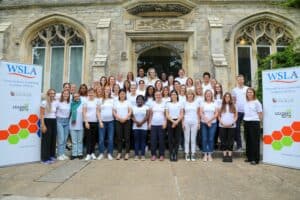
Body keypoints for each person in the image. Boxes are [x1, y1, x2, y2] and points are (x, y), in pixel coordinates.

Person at [244, 88, 263, 165]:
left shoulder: (257, 102)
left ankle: (255, 159)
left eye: (251, 92)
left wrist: (260, 123)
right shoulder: (246, 102)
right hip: (246, 122)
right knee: (248, 140)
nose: (249, 93)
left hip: (254, 122)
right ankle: (249, 157)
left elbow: (260, 114)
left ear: (253, 93)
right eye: (248, 92)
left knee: (254, 141)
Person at [218, 92, 237, 162]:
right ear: (224, 98)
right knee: (223, 140)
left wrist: (232, 123)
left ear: (230, 98)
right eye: (226, 97)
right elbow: (219, 116)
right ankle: (224, 155)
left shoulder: (234, 105)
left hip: (231, 126)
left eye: (228, 97)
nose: (227, 98)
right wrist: (222, 123)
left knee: (230, 140)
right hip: (222, 126)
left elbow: (236, 116)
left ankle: (229, 155)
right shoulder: (221, 105)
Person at [113, 89, 132, 160]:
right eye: (121, 94)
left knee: (127, 138)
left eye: (123, 94)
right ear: (119, 94)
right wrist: (119, 118)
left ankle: (127, 153)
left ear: (125, 95)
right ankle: (119, 153)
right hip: (118, 121)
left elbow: (130, 111)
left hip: (127, 121)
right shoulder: (116, 102)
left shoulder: (128, 102)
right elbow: (114, 112)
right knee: (119, 138)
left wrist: (125, 118)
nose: (122, 95)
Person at [40, 89, 58, 164]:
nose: (52, 95)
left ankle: (51, 155)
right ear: (48, 94)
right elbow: (41, 114)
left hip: (54, 121)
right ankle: (44, 158)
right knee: (46, 140)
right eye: (51, 93)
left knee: (53, 140)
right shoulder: (44, 102)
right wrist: (43, 125)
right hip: (47, 121)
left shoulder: (55, 102)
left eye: (53, 93)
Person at [97, 86, 115, 160]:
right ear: (103, 91)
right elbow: (97, 111)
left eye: (108, 90)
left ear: (110, 91)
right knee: (101, 139)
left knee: (110, 139)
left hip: (111, 122)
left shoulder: (113, 100)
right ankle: (101, 153)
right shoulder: (100, 100)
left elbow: (114, 110)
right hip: (102, 122)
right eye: (106, 90)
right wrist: (100, 121)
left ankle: (110, 153)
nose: (107, 91)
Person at [232, 74, 248, 151]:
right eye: (239, 79)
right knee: (237, 129)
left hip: (247, 112)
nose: (240, 81)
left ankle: (247, 146)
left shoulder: (247, 89)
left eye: (241, 79)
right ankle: (239, 146)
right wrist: (234, 111)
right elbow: (234, 101)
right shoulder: (234, 90)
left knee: (247, 129)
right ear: (237, 81)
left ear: (243, 80)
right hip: (238, 112)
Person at [200, 90, 218, 162]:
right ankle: (205, 154)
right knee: (204, 138)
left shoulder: (214, 103)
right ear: (205, 95)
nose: (208, 95)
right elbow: (201, 113)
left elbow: (216, 113)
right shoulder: (202, 103)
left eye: (209, 94)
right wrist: (207, 121)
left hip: (213, 123)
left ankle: (210, 154)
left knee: (211, 139)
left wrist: (210, 121)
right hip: (204, 123)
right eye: (207, 94)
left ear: (211, 95)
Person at [166, 90, 183, 161]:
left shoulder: (180, 103)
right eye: (172, 94)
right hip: (170, 121)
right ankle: (171, 154)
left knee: (177, 139)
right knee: (170, 139)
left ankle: (175, 154)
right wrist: (173, 121)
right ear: (170, 96)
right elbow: (167, 114)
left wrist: (176, 122)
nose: (173, 95)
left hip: (178, 121)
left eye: (175, 94)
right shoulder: (168, 104)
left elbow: (182, 114)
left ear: (177, 95)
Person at [149, 91, 167, 161]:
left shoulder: (164, 103)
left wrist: (165, 122)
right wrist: (149, 123)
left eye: (159, 95)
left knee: (161, 140)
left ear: (161, 95)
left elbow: (165, 114)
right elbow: (150, 114)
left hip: (161, 124)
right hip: (153, 124)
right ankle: (153, 155)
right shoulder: (152, 103)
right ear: (155, 96)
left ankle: (161, 155)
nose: (158, 96)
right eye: (156, 95)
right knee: (153, 140)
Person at [183, 90, 200, 161]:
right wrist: (182, 122)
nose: (190, 95)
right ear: (187, 96)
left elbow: (198, 114)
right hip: (186, 121)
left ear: (193, 95)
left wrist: (199, 123)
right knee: (187, 139)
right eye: (188, 94)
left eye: (191, 94)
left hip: (195, 122)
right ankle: (187, 153)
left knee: (193, 138)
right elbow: (182, 114)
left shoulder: (196, 103)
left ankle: (193, 153)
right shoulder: (184, 103)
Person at [83, 88, 99, 161]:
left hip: (95, 122)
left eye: (92, 92)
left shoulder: (97, 101)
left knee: (93, 139)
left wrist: (100, 121)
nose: (91, 94)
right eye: (89, 93)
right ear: (88, 94)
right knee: (88, 138)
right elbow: (84, 112)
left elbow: (98, 112)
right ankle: (88, 154)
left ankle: (92, 153)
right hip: (88, 122)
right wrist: (86, 122)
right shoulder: (86, 101)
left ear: (94, 93)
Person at [132, 95, 149, 161]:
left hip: (144, 127)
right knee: (136, 141)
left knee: (143, 141)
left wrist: (141, 122)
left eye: (141, 99)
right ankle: (136, 155)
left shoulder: (146, 107)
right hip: (135, 127)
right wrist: (136, 122)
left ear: (143, 100)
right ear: (136, 101)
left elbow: (147, 116)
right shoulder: (133, 107)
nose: (139, 100)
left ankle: (143, 155)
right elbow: (132, 116)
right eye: (138, 99)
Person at [56, 90, 71, 160]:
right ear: (62, 94)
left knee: (65, 139)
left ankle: (63, 154)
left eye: (67, 94)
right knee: (61, 138)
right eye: (64, 94)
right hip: (59, 121)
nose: (66, 95)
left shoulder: (69, 102)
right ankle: (59, 155)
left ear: (69, 95)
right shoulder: (58, 102)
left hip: (67, 121)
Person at [69, 92, 84, 160]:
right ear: (73, 98)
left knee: (80, 140)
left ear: (79, 97)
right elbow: (69, 114)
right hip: (72, 125)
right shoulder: (71, 104)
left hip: (80, 124)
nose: (76, 97)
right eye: (75, 96)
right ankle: (74, 154)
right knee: (74, 141)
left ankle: (80, 153)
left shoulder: (82, 104)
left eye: (77, 96)